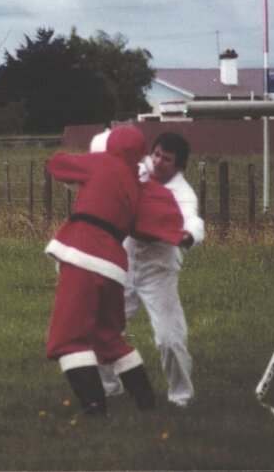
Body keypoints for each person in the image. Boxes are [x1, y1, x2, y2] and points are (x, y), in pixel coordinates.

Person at [44, 125, 184, 415]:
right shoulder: (138, 185)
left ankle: (94, 407)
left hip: (83, 252)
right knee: (107, 336)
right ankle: (145, 400)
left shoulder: (101, 162)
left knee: (68, 337)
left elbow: (57, 165)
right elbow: (148, 225)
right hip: (115, 266)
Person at [101, 131, 205, 407]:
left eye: (167, 159)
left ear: (179, 165)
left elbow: (193, 221)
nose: (158, 162)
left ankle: (181, 395)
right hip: (124, 260)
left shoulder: (183, 193)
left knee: (169, 338)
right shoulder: (138, 170)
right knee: (102, 325)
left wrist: (188, 236)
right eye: (156, 154)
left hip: (158, 268)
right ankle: (108, 386)